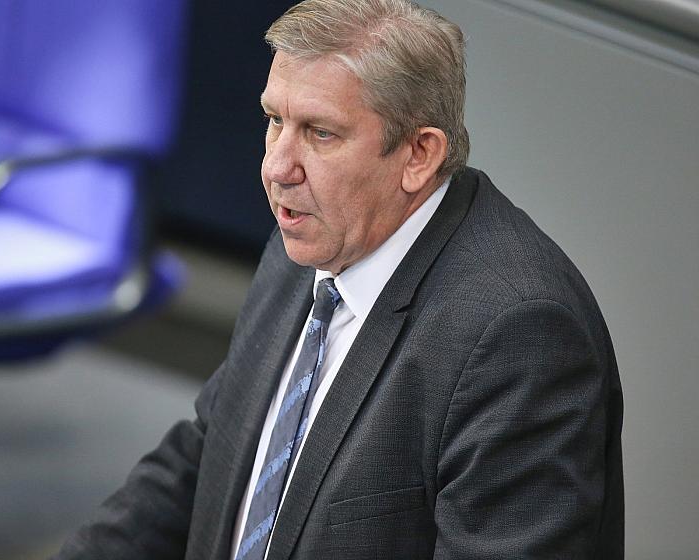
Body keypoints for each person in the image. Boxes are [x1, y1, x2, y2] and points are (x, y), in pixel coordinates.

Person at [53, 0, 624, 558]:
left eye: (320, 133)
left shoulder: (519, 335)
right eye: (275, 121)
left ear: (419, 155)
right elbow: (210, 455)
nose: (277, 167)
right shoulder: (308, 241)